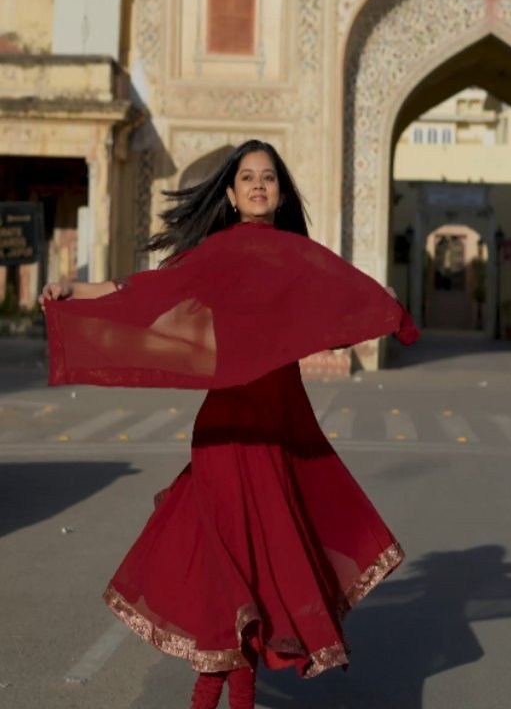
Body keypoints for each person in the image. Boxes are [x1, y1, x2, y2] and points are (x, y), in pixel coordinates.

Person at [41, 139, 419, 709]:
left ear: (281, 192)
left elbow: (342, 298)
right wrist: (74, 291)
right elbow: (145, 293)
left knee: (251, 583)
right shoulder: (216, 254)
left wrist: (387, 308)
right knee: (230, 570)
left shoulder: (298, 257)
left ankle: (215, 693)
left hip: (280, 427)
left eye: (269, 177)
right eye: (248, 178)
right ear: (232, 194)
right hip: (227, 427)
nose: (259, 185)